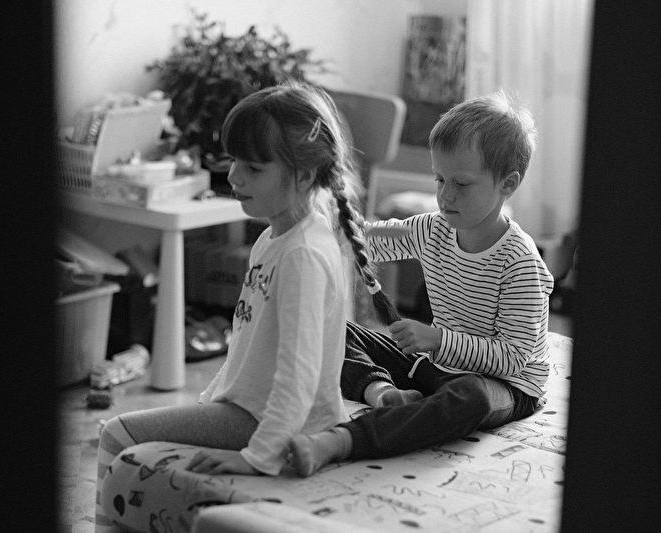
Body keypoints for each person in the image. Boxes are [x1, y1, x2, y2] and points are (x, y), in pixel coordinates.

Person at [94, 82, 404, 531]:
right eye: (234, 160)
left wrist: (258, 455)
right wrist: (206, 406)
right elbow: (246, 344)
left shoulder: (302, 254)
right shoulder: (273, 238)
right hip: (247, 408)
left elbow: (298, 374)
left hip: (271, 420)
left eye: (254, 168)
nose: (234, 176)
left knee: (115, 433)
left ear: (304, 176)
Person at [289, 90, 555, 476]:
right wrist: (328, 216)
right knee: (332, 331)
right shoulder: (433, 228)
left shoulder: (520, 263)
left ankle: (344, 440)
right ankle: (383, 392)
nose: (445, 195)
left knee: (470, 397)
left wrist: (437, 339)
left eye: (461, 183)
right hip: (436, 367)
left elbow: (513, 357)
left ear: (507, 184)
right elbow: (368, 240)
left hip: (505, 385)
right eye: (439, 179)